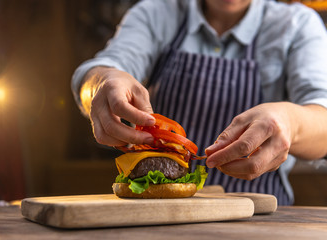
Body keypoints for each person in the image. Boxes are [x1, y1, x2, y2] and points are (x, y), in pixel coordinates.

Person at [71, 0, 327, 205]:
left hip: (258, 216)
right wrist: (101, 83)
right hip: (157, 217)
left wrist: (289, 122)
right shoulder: (156, 12)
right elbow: (102, 69)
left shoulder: (298, 24)